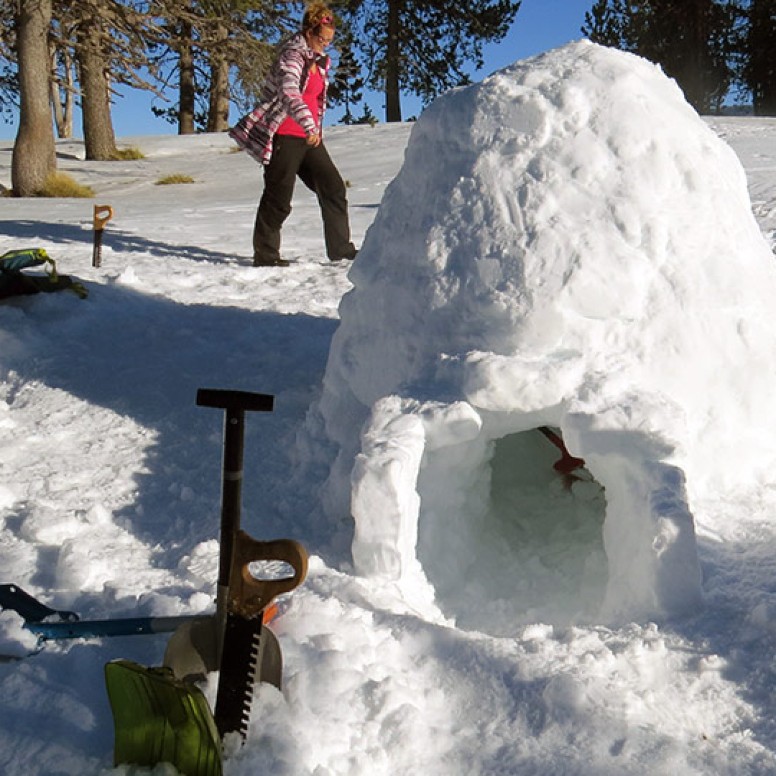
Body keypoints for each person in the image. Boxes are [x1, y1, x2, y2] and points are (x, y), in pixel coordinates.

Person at [229, 3, 357, 267]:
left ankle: (341, 250)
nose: (324, 45)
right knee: (279, 198)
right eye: (321, 38)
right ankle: (265, 255)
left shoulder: (318, 61)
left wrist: (314, 129)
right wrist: (309, 126)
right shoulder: (292, 55)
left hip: (309, 138)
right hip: (285, 134)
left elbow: (315, 100)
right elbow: (289, 94)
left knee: (332, 187)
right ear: (308, 31)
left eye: (329, 41)